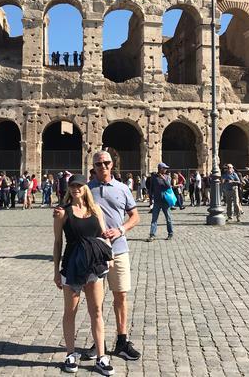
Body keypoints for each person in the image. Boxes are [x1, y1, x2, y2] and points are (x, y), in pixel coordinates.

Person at [68, 150, 141, 362]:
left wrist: (121, 229)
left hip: (118, 249)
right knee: (95, 302)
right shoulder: (86, 189)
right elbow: (70, 206)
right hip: (93, 254)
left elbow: (135, 216)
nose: (103, 166)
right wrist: (59, 212)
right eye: (98, 164)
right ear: (93, 167)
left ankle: (122, 341)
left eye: (106, 163)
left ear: (112, 164)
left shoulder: (123, 188)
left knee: (121, 295)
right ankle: (98, 343)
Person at [53, 174, 114, 375]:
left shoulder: (96, 209)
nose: (75, 189)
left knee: (96, 311)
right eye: (72, 186)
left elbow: (104, 235)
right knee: (70, 312)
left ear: (85, 187)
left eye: (79, 185)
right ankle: (70, 354)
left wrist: (110, 255)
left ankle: (101, 357)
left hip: (94, 265)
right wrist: (56, 271)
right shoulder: (62, 212)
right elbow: (57, 243)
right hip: (72, 265)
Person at [148, 163, 175, 241]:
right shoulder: (154, 177)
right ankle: (152, 235)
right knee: (154, 219)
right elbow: (151, 188)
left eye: (166, 168)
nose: (166, 169)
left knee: (168, 218)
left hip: (165, 201)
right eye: (164, 168)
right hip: (157, 201)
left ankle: (170, 233)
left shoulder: (167, 177)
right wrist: (150, 199)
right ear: (160, 168)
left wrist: (163, 178)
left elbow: (169, 186)